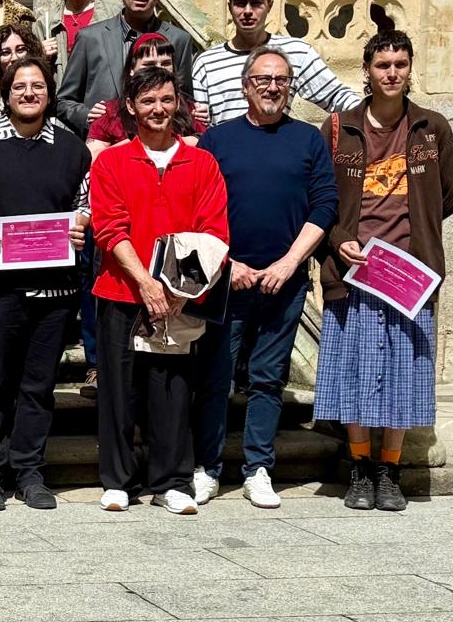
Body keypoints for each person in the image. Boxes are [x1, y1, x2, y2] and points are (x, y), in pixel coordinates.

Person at [193, 47, 338, 509]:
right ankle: (207, 467)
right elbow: (199, 209)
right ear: (244, 86)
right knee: (215, 377)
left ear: (290, 85)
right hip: (226, 280)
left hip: (285, 281)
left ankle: (258, 468)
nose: (272, 87)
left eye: (280, 79)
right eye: (262, 79)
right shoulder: (218, 139)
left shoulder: (309, 140)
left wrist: (289, 263)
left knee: (268, 378)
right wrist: (227, 263)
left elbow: (325, 205)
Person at [315, 30, 453, 512]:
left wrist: (423, 240)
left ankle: (389, 471)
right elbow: (322, 200)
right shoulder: (338, 127)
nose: (391, 73)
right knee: (352, 373)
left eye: (400, 64)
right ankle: (358, 467)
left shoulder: (432, 128)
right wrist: (339, 239)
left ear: (410, 69)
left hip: (408, 275)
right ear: (367, 71)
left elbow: (447, 194)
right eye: (382, 65)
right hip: (353, 270)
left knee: (404, 374)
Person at [88, 67, 228, 515]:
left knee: (171, 390)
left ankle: (171, 480)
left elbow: (214, 233)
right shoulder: (111, 161)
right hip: (120, 292)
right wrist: (146, 283)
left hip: (179, 298)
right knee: (117, 390)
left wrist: (179, 294)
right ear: (130, 106)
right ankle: (118, 480)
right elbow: (110, 228)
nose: (158, 109)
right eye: (148, 101)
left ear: (179, 103)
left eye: (166, 100)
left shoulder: (201, 162)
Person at [0, 58, 89, 511]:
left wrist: (80, 224)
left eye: (37, 86)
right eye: (19, 87)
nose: (28, 93)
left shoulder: (73, 150)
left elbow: (84, 202)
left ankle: (29, 470)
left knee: (37, 385)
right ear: (6, 94)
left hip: (54, 290)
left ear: (50, 93)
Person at [191, 0, 361, 125]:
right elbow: (199, 125)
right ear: (230, 7)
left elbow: (337, 97)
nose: (248, 11)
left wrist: (377, 119)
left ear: (270, 5)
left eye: (257, 3)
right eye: (240, 3)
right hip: (224, 154)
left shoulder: (296, 52)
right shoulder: (206, 63)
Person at [56, 0, 198, 136]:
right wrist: (87, 116)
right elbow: (63, 101)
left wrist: (195, 112)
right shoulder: (91, 39)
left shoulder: (179, 40)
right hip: (105, 150)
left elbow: (184, 100)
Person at [85, 33, 208, 157]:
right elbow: (92, 157)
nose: (159, 69)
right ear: (131, 70)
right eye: (149, 65)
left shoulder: (192, 110)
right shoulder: (110, 113)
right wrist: (140, 145)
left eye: (166, 63)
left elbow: (207, 147)